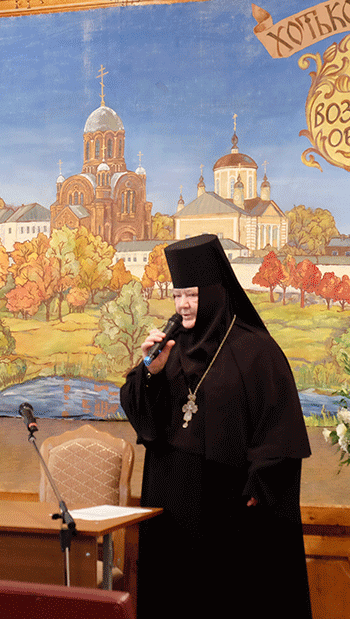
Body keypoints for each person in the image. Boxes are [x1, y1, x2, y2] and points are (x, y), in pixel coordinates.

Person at [120, 234, 312, 619]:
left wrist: (262, 480)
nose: (182, 305)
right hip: (170, 498)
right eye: (178, 296)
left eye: (191, 295)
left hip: (228, 505)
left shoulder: (256, 351)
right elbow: (139, 410)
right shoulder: (168, 347)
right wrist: (151, 371)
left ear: (213, 294)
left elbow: (279, 426)